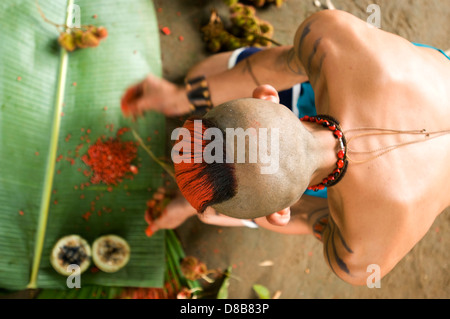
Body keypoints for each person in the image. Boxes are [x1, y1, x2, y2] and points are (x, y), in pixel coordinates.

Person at [121, 10, 450, 285]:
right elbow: (309, 219)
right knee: (236, 198)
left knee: (202, 76)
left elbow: (308, 218)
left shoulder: (360, 254)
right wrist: (179, 98)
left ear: (266, 94)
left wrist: (186, 94)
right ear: (266, 95)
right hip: (413, 82)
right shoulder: (331, 40)